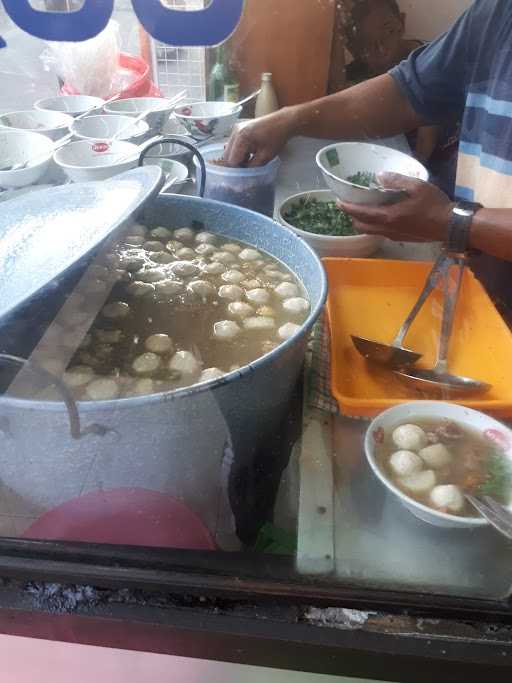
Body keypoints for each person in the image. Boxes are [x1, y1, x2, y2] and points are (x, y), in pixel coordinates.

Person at [224, 0, 512, 308]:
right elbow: (405, 93)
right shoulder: (495, 13)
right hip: (479, 291)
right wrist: (290, 119)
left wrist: (452, 222)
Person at [344, 0, 459, 195]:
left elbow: (426, 141)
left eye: (388, 32)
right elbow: (343, 109)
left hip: (444, 160)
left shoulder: (429, 63)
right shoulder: (358, 71)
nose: (380, 49)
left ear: (402, 23)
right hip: (400, 155)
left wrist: (401, 187)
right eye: (366, 43)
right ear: (352, 46)